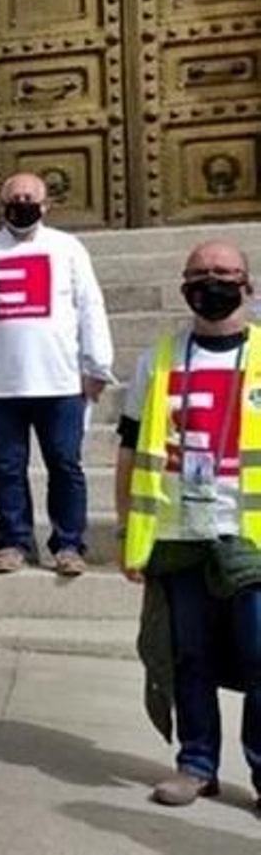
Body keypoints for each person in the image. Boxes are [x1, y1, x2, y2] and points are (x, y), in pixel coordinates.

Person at [117, 240, 261, 811]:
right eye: (200, 273)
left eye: (224, 272)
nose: (212, 281)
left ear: (247, 283)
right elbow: (131, 449)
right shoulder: (160, 358)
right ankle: (197, 763)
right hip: (178, 532)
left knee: (260, 656)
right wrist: (129, 529)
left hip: (249, 532)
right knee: (189, 656)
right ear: (183, 285)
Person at [0, 171, 113, 576]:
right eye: (14, 196)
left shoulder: (68, 248)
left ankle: (68, 544)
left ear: (45, 206)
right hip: (0, 382)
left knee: (65, 464)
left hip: (61, 380)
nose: (21, 202)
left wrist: (97, 364)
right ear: (1, 204)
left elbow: (89, 305)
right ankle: (13, 541)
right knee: (7, 468)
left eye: (30, 197)